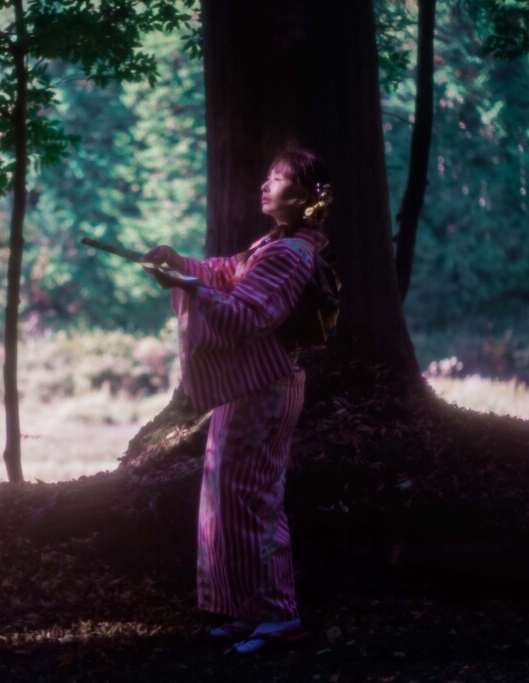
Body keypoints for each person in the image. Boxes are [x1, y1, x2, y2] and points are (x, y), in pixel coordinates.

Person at [143, 144, 333, 654]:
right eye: (268, 176)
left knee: (252, 497)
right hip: (248, 386)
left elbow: (249, 314)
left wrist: (188, 285)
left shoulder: (291, 254)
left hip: (265, 388)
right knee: (227, 497)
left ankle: (277, 615)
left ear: (306, 197)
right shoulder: (272, 245)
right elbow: (228, 272)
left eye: (277, 178)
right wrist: (181, 265)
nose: (265, 185)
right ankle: (246, 609)